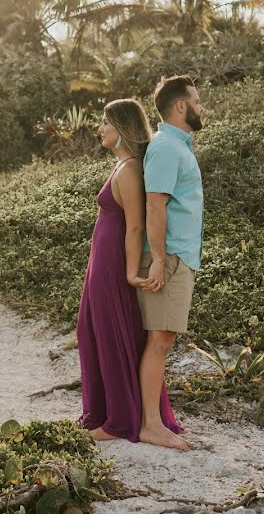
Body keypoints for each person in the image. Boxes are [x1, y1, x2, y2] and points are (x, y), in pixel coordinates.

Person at [77, 98, 184, 445]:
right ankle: (109, 411)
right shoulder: (124, 166)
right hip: (103, 258)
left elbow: (135, 227)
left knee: (110, 332)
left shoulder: (131, 168)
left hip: (112, 263)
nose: (100, 129)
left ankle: (120, 420)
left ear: (121, 128)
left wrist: (126, 273)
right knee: (94, 329)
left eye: (106, 123)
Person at [136, 76, 204, 451]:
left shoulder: (177, 146)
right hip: (171, 256)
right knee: (160, 339)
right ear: (181, 106)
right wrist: (160, 259)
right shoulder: (165, 148)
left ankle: (156, 420)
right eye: (196, 99)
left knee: (163, 338)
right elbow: (154, 204)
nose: (201, 106)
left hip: (180, 255)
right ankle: (150, 425)